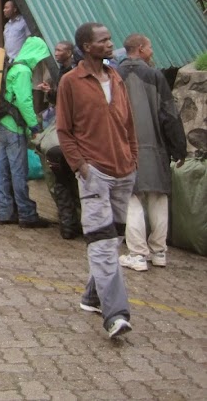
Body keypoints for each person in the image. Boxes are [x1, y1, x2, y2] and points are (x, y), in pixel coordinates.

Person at [57, 22, 138, 339]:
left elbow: (128, 123)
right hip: (95, 175)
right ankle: (115, 313)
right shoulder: (70, 83)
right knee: (103, 245)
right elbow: (64, 131)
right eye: (103, 40)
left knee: (113, 238)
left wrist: (133, 158)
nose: (110, 43)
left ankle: (92, 296)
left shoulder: (116, 77)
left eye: (109, 39)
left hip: (124, 172)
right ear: (87, 47)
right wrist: (81, 166)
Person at [117, 34, 186, 272]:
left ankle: (137, 254)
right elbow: (170, 115)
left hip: (124, 148)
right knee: (158, 198)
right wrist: (179, 149)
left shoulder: (115, 74)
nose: (152, 51)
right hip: (155, 149)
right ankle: (159, 252)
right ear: (140, 49)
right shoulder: (156, 76)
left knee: (132, 199)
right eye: (150, 47)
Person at [0, 35, 50, 227]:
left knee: (1, 170)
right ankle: (26, 213)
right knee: (18, 171)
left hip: (2, 123)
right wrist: (34, 126)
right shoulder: (23, 71)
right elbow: (25, 102)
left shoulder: (11, 67)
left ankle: (3, 211)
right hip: (15, 127)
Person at [38, 39, 82, 239]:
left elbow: (65, 100)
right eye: (55, 49)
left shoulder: (70, 74)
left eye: (59, 49)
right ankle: (71, 225)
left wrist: (52, 93)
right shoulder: (67, 72)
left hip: (69, 136)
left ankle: (70, 226)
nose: (55, 52)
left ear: (70, 52)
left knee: (65, 180)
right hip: (68, 137)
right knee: (65, 180)